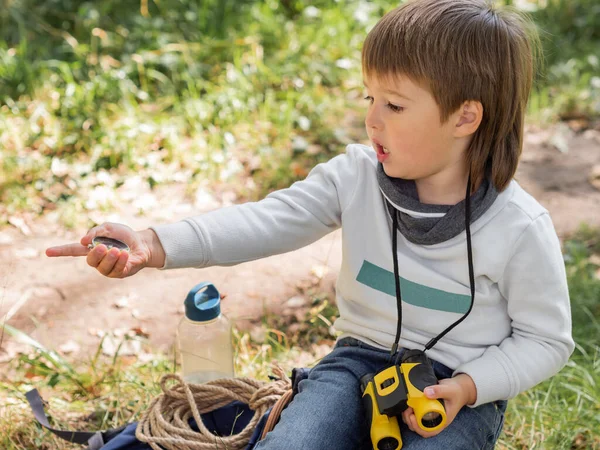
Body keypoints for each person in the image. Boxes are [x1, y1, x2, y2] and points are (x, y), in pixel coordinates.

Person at [46, 0, 575, 448]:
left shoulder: (519, 227)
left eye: (394, 104)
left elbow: (547, 340)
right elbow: (267, 221)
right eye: (370, 98)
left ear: (465, 117)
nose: (372, 119)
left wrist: (471, 385)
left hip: (457, 392)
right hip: (354, 364)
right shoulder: (355, 176)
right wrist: (154, 243)